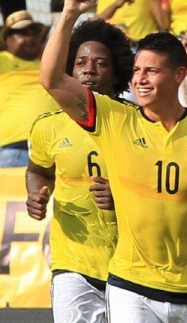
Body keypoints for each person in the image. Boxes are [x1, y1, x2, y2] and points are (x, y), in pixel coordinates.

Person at [40, 0, 187, 322]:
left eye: (151, 71)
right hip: (131, 285)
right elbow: (52, 79)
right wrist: (70, 14)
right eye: (137, 70)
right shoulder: (114, 118)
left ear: (179, 75)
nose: (139, 79)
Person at [25, 18, 134, 323]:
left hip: (133, 266)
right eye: (81, 62)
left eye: (100, 63)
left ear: (117, 72)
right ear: (69, 71)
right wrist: (37, 193)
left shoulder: (137, 122)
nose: (89, 69)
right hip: (73, 263)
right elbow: (38, 170)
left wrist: (121, 195)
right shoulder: (48, 126)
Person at [0, 10, 58, 167]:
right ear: (9, 39)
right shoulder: (3, 61)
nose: (31, 38)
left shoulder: (48, 63)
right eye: (23, 33)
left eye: (34, 33)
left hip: (57, 149)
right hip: (17, 148)